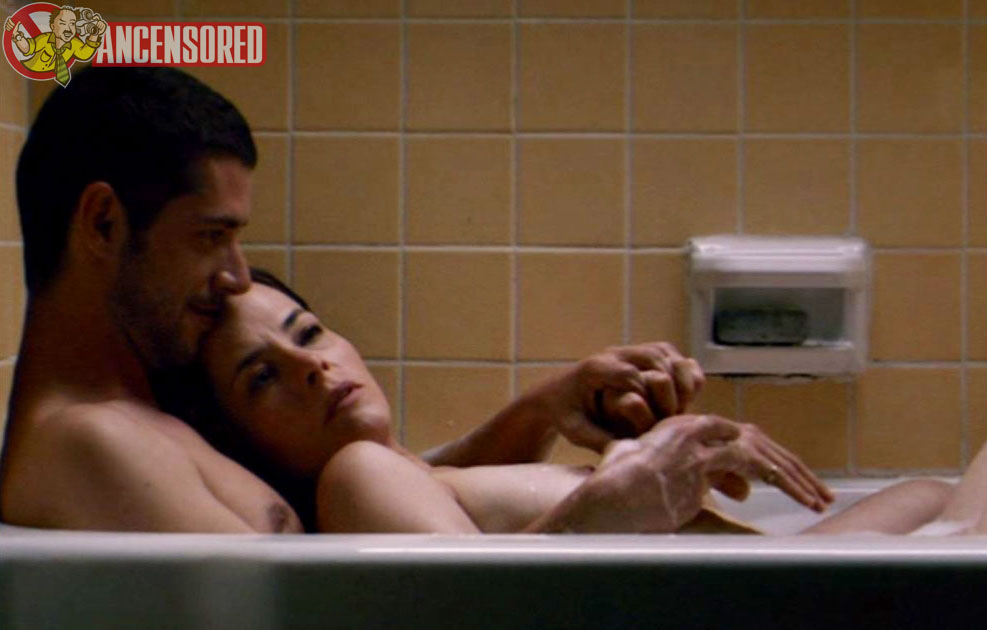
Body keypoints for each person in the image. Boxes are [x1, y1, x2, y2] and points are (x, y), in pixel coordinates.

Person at [0, 65, 806, 534]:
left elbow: (385, 533)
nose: (237, 275)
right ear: (103, 223)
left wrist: (541, 410)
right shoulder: (92, 443)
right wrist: (608, 515)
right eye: (211, 236)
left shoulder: (136, 420)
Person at [182, 269, 834, 534]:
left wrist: (547, 406)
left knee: (902, 508)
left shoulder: (412, 477)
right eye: (261, 379)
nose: (311, 367)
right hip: (781, 622)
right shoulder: (356, 475)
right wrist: (607, 508)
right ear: (240, 443)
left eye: (308, 333)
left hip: (782, 598)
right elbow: (480, 625)